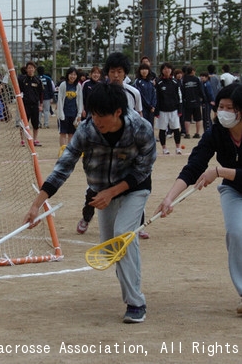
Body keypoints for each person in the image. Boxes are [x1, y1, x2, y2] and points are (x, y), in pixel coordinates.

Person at [24, 82, 156, 323]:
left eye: (101, 115)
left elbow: (143, 171)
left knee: (122, 237)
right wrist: (37, 204)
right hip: (101, 191)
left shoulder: (141, 129)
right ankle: (132, 289)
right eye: (93, 114)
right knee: (110, 249)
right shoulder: (86, 130)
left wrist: (113, 192)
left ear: (118, 112)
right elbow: (63, 167)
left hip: (134, 189)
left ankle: (135, 302)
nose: (96, 120)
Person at [155, 83, 242, 316]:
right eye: (220, 107)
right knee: (237, 232)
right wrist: (169, 197)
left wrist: (218, 172)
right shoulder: (215, 132)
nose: (223, 112)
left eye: (230, 107)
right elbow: (194, 166)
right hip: (235, 191)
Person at [77, 53, 150, 240]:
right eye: (112, 71)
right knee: (95, 189)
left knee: (135, 186)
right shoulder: (98, 93)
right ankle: (86, 217)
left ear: (125, 73)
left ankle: (137, 224)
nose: (116, 75)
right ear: (106, 73)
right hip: (103, 152)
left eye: (119, 72)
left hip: (128, 151)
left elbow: (140, 117)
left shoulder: (133, 93)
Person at [155, 62, 183, 155]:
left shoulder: (175, 82)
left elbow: (179, 97)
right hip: (163, 111)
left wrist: (179, 109)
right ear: (162, 71)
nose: (167, 70)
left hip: (174, 110)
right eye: (164, 69)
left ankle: (178, 147)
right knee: (162, 130)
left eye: (168, 68)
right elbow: (157, 98)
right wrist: (157, 111)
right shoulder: (159, 83)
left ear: (171, 70)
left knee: (176, 129)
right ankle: (164, 148)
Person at [56, 67, 83, 152]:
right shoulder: (63, 85)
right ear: (68, 75)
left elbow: (80, 100)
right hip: (64, 113)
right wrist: (60, 113)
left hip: (73, 113)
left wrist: (79, 114)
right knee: (63, 133)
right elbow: (60, 99)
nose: (73, 76)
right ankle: (63, 150)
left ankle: (69, 151)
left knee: (71, 133)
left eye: (74, 75)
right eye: (71, 74)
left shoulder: (78, 86)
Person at [17, 61, 43, 147]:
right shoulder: (22, 79)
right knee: (24, 123)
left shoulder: (38, 80)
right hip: (25, 105)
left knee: (35, 123)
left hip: (35, 104)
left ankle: (35, 139)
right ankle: (22, 140)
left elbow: (41, 93)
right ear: (26, 69)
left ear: (35, 69)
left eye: (32, 68)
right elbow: (18, 90)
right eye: (29, 68)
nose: (30, 69)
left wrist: (41, 104)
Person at [181, 66, 204, 139]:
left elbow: (182, 91)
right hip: (196, 101)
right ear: (193, 71)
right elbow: (200, 90)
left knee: (187, 118)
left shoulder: (184, 79)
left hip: (187, 101)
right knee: (198, 118)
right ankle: (197, 133)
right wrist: (203, 98)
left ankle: (187, 134)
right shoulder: (196, 79)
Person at [133, 63, 157, 128]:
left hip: (151, 109)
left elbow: (154, 94)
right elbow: (140, 95)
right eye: (142, 69)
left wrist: (153, 106)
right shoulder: (137, 82)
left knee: (150, 126)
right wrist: (149, 106)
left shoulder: (150, 82)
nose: (144, 71)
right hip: (142, 108)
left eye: (146, 69)